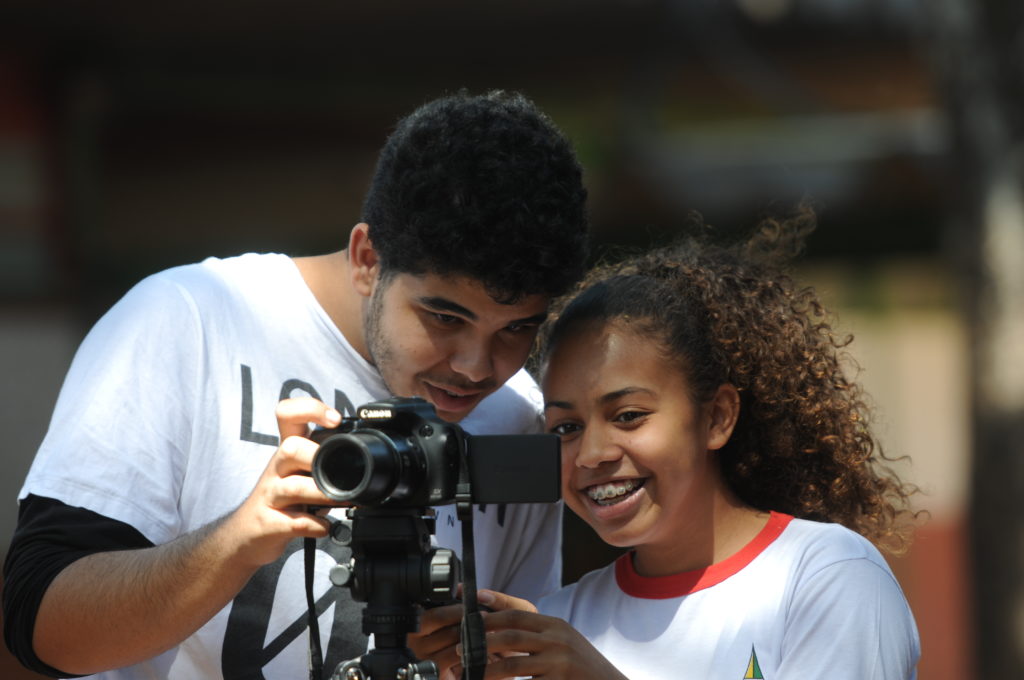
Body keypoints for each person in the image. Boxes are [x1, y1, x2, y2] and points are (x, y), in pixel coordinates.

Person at [3, 90, 589, 679]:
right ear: (367, 259)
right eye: (445, 318)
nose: (476, 367)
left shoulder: (522, 419)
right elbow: (33, 626)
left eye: (517, 330)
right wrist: (235, 542)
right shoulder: (190, 317)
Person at [412, 208, 921, 679]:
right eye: (566, 428)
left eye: (629, 416)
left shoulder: (827, 577)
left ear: (717, 418)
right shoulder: (554, 626)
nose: (592, 455)